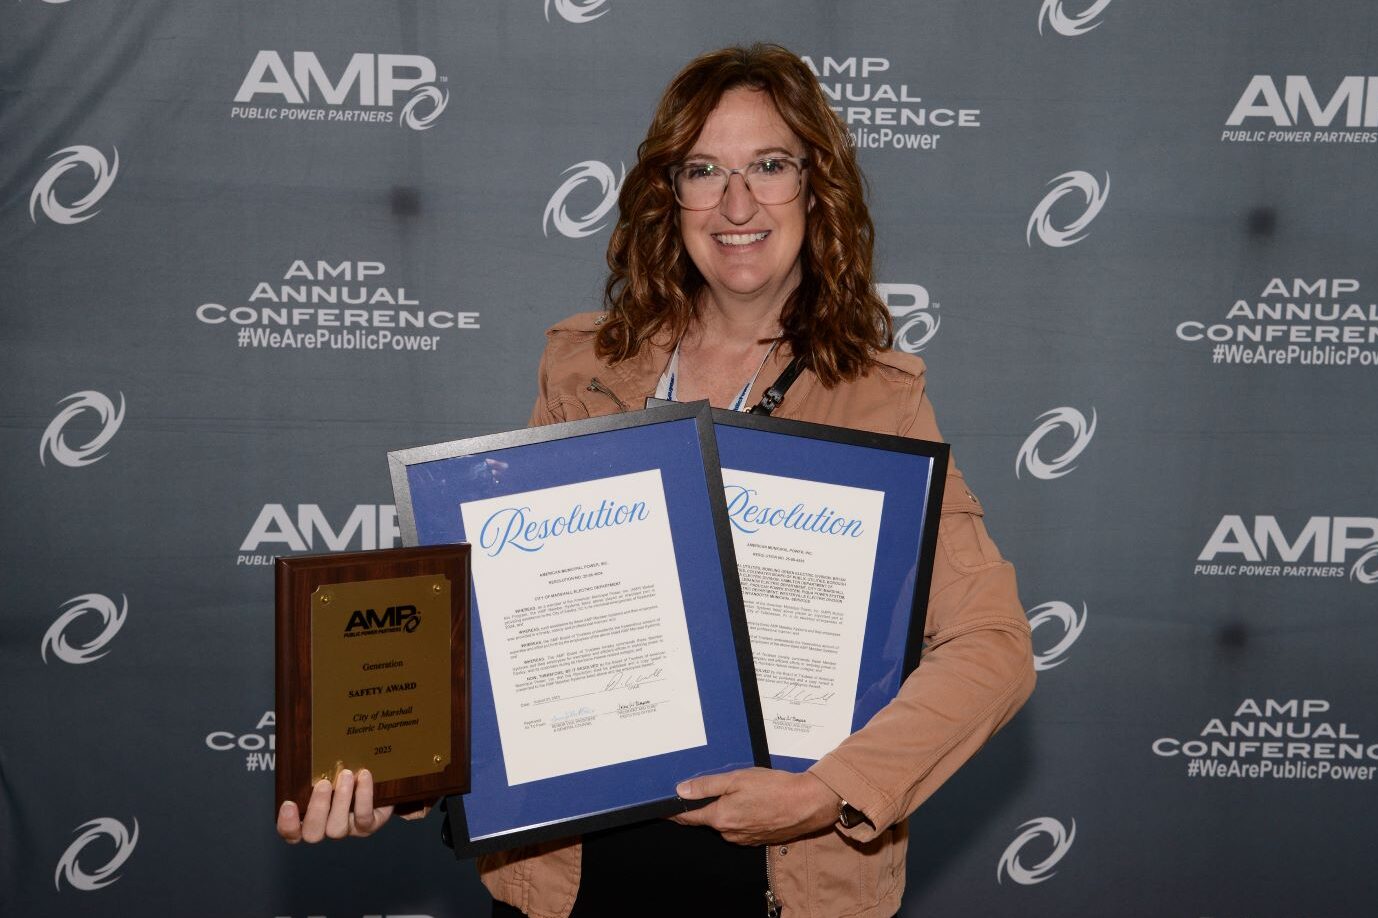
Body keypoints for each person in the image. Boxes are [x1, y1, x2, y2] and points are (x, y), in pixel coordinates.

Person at [279, 43, 1035, 918]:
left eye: (771, 166)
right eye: (704, 169)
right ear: (667, 196)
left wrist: (833, 789)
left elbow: (993, 645)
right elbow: (507, 633)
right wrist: (401, 769)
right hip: (574, 871)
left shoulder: (878, 399)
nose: (738, 203)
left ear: (816, 187)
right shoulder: (586, 366)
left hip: (782, 871)